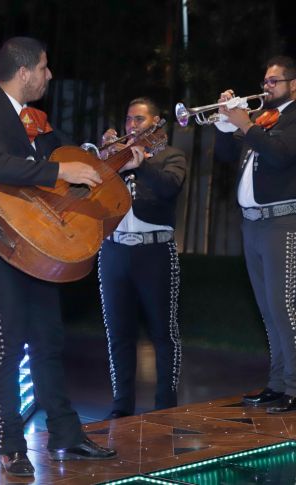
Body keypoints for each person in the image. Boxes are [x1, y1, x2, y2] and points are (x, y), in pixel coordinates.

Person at [0, 37, 124, 477]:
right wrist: (60, 171)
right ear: (24, 72)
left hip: (37, 246)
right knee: (8, 345)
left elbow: (63, 154)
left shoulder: (33, 118)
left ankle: (67, 435)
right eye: (45, 68)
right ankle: (12, 445)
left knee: (48, 341)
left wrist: (102, 156)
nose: (50, 76)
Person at [213, 55, 296, 413]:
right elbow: (225, 155)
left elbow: (280, 155)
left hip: (282, 221)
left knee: (282, 305)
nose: (266, 87)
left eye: (274, 81)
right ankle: (278, 383)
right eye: (265, 80)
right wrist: (225, 121)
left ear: (294, 84)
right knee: (266, 307)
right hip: (252, 222)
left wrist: (246, 125)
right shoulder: (261, 119)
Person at [97, 97, 187, 419]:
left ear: (157, 122)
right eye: (128, 120)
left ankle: (165, 407)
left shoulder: (171, 155)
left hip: (155, 251)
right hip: (114, 251)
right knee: (118, 333)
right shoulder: (113, 159)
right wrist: (105, 161)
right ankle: (121, 407)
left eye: (139, 119)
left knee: (164, 333)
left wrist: (142, 165)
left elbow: (170, 187)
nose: (131, 126)